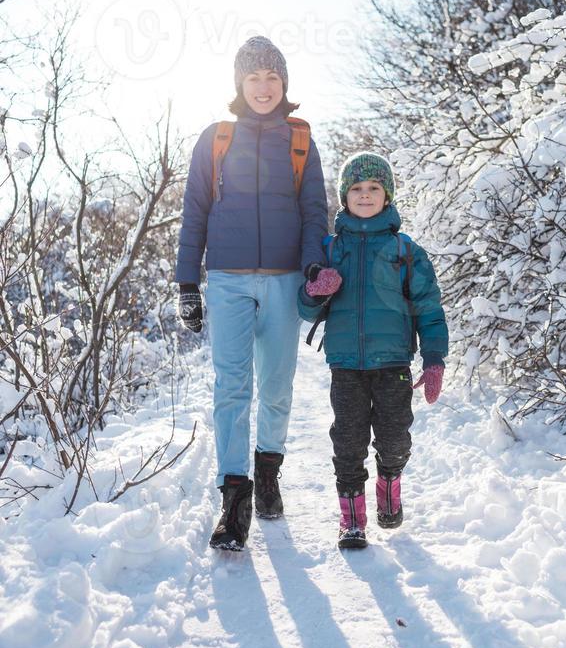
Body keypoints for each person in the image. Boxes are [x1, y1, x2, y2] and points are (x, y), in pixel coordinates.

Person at [176, 36, 328, 551]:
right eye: (254, 77)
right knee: (232, 388)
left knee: (279, 384)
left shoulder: (300, 139)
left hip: (285, 279)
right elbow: (194, 212)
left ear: (284, 83)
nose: (263, 87)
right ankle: (234, 500)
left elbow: (315, 212)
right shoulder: (216, 138)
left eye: (273, 77)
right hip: (228, 279)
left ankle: (268, 473)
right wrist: (187, 283)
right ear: (239, 83)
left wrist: (313, 264)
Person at [298, 152, 448, 549]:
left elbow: (429, 309)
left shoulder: (405, 251)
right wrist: (315, 290)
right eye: (357, 189)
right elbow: (305, 306)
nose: (365, 195)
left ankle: (389, 484)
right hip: (345, 363)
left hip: (393, 362)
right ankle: (352, 520)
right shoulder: (330, 250)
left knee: (395, 438)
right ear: (345, 196)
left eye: (374, 188)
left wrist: (434, 360)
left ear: (388, 195)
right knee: (347, 441)